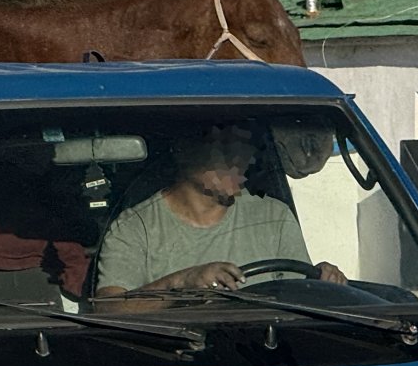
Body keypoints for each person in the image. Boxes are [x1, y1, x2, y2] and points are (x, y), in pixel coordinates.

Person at [95, 124, 345, 298]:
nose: (237, 160)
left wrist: (324, 280)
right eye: (223, 149)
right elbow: (110, 308)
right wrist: (181, 282)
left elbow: (301, 295)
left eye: (244, 150)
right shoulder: (135, 227)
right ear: (183, 151)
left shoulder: (273, 216)